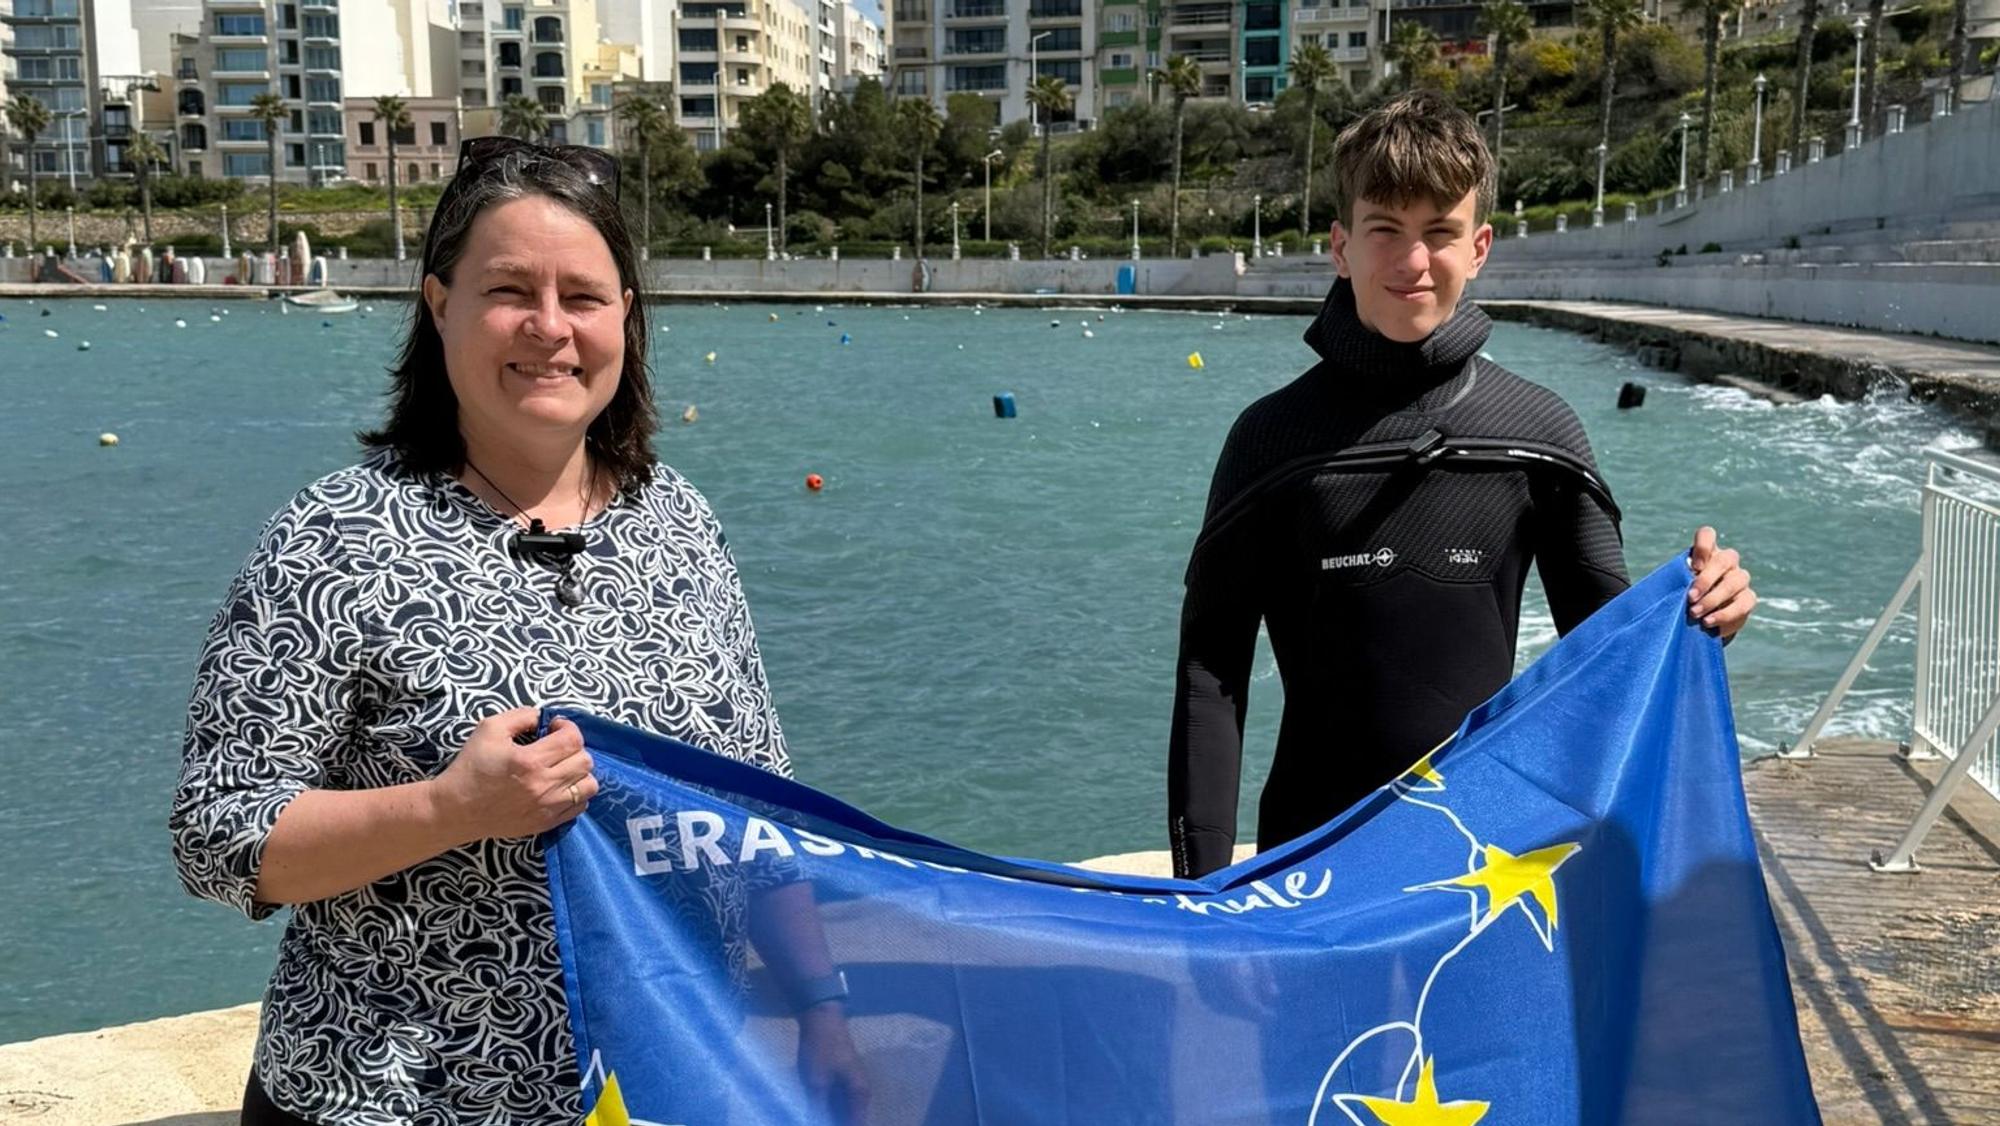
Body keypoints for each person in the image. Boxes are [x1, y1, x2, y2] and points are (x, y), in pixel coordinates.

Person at [171, 138, 867, 1125]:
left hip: (651, 1085)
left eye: (581, 296)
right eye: (509, 290)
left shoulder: (681, 523)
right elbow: (217, 840)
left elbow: (751, 811)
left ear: (624, 315)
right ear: (437, 305)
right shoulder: (332, 538)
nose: (548, 328)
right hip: (386, 1102)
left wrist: (824, 1015)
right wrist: (451, 807)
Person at [1166, 91, 1758, 880]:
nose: (1413, 262)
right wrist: (1200, 893)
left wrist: (1703, 613)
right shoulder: (1270, 442)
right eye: (1386, 230)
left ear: (1478, 247)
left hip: (1482, 872)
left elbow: (1609, 662)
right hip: (1310, 873)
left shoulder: (1536, 434)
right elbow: (1212, 677)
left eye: (1439, 232)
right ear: (1341, 247)